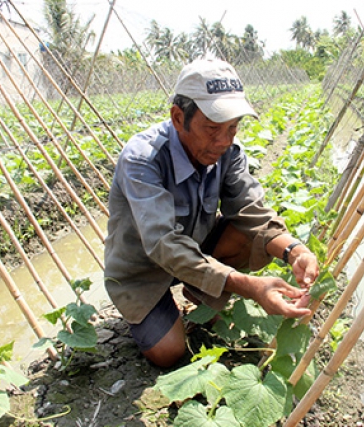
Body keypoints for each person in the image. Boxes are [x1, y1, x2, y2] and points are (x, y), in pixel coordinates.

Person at [104, 59, 319, 368]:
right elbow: (163, 244)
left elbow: (251, 211)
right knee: (169, 353)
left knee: (252, 236)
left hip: (197, 247)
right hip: (143, 269)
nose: (223, 141)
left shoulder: (228, 152)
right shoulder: (142, 160)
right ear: (179, 118)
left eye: (233, 128)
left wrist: (294, 251)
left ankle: (201, 291)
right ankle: (183, 297)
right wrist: (249, 286)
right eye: (212, 128)